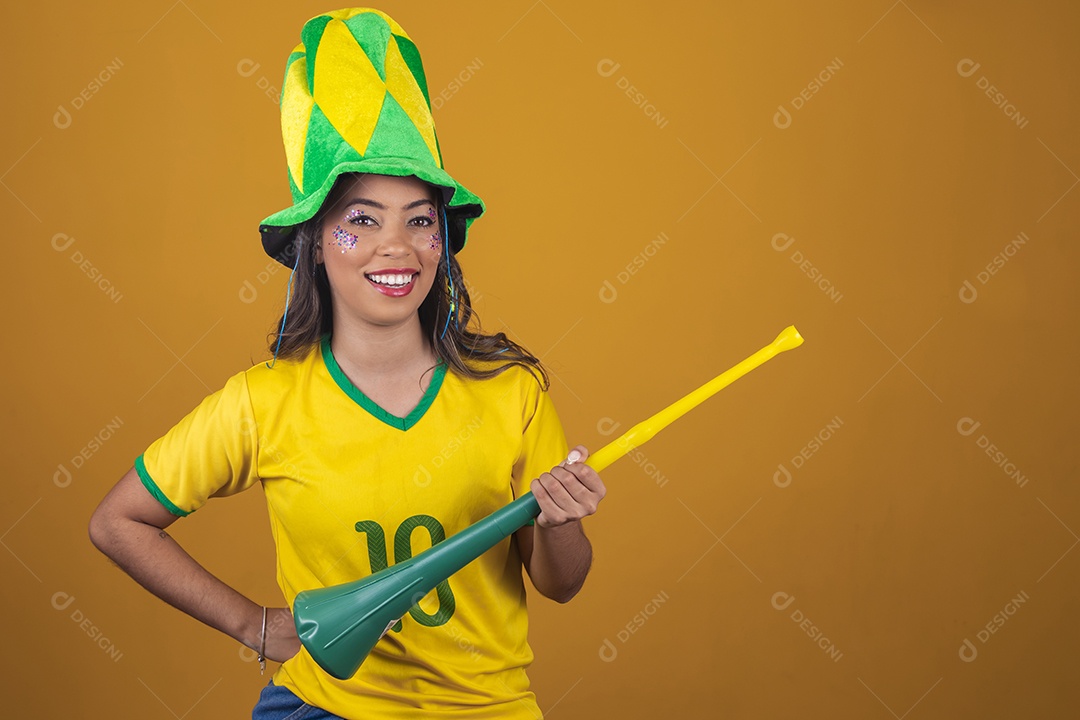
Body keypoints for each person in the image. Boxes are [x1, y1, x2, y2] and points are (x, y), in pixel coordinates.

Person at [88, 8, 605, 719]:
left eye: (419, 219)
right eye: (362, 219)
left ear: (441, 245)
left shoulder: (510, 393)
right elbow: (118, 522)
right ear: (317, 242)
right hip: (323, 708)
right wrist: (256, 625)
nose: (396, 245)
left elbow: (561, 583)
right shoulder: (264, 401)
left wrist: (560, 523)